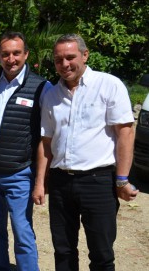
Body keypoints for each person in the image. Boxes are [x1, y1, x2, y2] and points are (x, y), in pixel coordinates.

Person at [33, 33, 138, 270]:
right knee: (63, 250)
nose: (64, 64)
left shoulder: (109, 85)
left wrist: (122, 180)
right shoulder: (51, 95)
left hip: (98, 182)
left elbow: (125, 133)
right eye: (59, 59)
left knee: (101, 253)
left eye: (70, 57)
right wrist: (41, 182)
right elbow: (46, 143)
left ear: (85, 54)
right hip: (61, 183)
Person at [0, 32, 51, 270]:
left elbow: (44, 138)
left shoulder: (41, 87)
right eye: (5, 54)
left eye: (16, 53)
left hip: (19, 173)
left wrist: (40, 181)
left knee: (22, 230)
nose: (11, 59)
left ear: (26, 54)